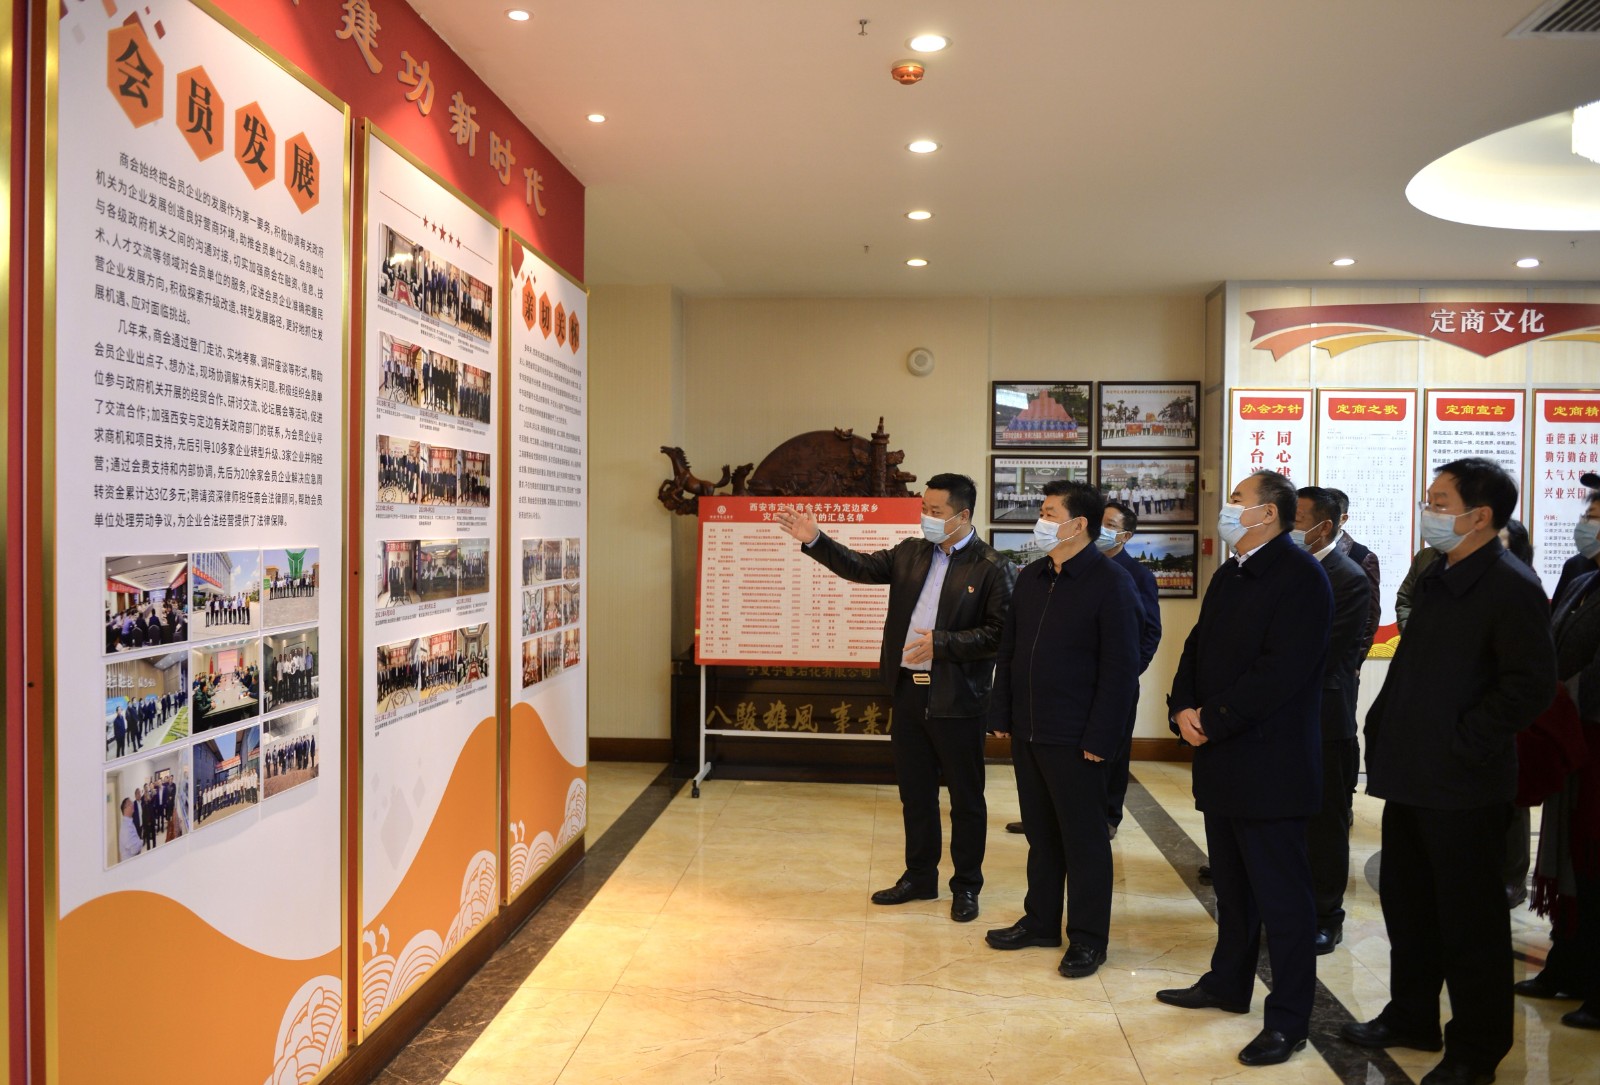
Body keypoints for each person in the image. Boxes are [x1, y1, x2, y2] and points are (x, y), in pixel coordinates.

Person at [1343, 458, 1556, 1085]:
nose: (1428, 511)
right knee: (1410, 906)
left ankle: (1475, 1050)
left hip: (1463, 784)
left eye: (1440, 502)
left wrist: (1464, 741)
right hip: (1414, 775)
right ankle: (1412, 1015)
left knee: (1470, 924)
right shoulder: (1440, 572)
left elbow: (1529, 687)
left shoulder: (1510, 585)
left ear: (1480, 516)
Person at [777, 474, 1015, 922]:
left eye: (936, 512)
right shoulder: (911, 552)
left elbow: (1000, 635)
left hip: (958, 698)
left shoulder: (991, 567)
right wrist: (816, 540)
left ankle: (966, 885)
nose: (926, 518)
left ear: (963, 515)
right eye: (924, 508)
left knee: (966, 799)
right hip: (908, 691)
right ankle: (920, 876)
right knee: (915, 794)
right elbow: (861, 567)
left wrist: (943, 643)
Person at [1158, 469, 1331, 1069]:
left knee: (1284, 902)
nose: (1228, 508)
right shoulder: (1232, 572)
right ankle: (1227, 983)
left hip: (1270, 763)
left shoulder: (1301, 576)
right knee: (1232, 890)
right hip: (1224, 757)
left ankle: (1289, 1020)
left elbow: (1281, 672)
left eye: (1237, 500)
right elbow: (1196, 647)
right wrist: (1182, 707)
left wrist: (1215, 718)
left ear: (1268, 514)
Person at [985, 480, 1139, 978]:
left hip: (1077, 736)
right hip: (1030, 730)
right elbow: (1010, 650)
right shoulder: (1033, 576)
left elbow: (1121, 670)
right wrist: (1001, 712)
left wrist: (1101, 738)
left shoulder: (1111, 582)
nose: (1041, 520)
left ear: (1078, 524)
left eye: (1050, 513)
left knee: (1084, 841)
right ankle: (1040, 921)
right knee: (1041, 834)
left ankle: (1089, 938)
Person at [1516, 489, 1600, 1031]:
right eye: (1587, 514)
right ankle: (1566, 965)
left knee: (1594, 861)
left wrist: (1556, 696)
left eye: (1595, 516)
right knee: (1569, 857)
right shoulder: (1583, 578)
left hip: (1594, 734)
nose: (1585, 524)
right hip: (1574, 737)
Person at [1292, 486, 1371, 956]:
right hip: (1282, 719)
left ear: (1324, 526)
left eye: (1299, 520)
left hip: (1324, 718)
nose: (1291, 527)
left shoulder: (1348, 577)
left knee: (1324, 825)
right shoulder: (1287, 568)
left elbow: (1321, 652)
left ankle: (1326, 916)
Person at [1099, 498, 1162, 834]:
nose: (1100, 529)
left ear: (1124, 536)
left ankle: (1108, 816)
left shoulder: (1138, 575)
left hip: (1117, 680)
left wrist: (1128, 671)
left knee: (1114, 747)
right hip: (1075, 680)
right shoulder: (1077, 567)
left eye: (1109, 525)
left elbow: (1150, 632)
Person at [1325, 487, 1382, 654]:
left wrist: (1355, 662)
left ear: (1343, 519)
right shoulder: (1303, 550)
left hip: (1339, 657)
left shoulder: (1362, 557)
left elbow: (1369, 617)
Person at [117, 797, 142, 862]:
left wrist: (138, 842)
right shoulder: (126, 827)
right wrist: (141, 842)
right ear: (125, 808)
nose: (133, 804)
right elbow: (135, 849)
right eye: (130, 803)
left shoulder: (129, 822)